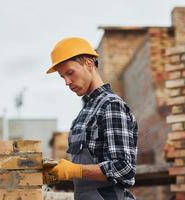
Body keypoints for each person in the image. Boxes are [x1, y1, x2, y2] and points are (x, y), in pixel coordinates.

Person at [46, 37, 138, 200]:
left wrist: (76, 170)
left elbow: (124, 168)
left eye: (70, 73)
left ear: (89, 64)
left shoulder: (111, 106)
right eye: (62, 77)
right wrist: (55, 170)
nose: (67, 82)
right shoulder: (83, 115)